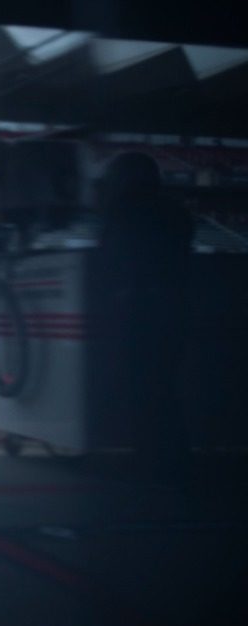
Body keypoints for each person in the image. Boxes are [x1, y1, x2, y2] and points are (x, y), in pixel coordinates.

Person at [96, 151, 194, 482]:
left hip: (138, 313)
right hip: (173, 313)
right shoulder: (175, 213)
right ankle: (172, 460)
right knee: (163, 389)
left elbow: (116, 262)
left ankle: (152, 462)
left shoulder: (124, 215)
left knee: (141, 389)